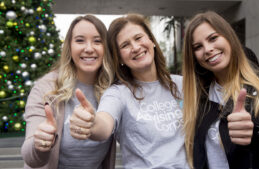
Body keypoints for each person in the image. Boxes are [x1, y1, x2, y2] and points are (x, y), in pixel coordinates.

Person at [70, 14, 190, 168]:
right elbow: (103, 125)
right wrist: (91, 124)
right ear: (119, 58)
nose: (135, 47)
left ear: (151, 41)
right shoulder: (118, 93)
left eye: (138, 38)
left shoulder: (182, 84)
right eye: (125, 45)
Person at [182, 11, 259, 169]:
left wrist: (254, 128)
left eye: (213, 38)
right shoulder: (198, 98)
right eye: (198, 47)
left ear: (229, 37)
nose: (208, 49)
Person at [21, 15, 115, 169]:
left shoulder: (114, 90)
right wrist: (39, 144)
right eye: (80, 40)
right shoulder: (46, 88)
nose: (89, 48)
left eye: (97, 41)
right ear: (69, 47)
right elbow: (30, 158)